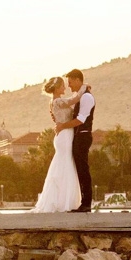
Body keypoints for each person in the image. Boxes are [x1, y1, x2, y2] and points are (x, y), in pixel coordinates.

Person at [31, 77, 88, 212]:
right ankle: (64, 202)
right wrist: (84, 88)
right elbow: (73, 100)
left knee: (64, 165)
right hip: (65, 136)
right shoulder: (58, 101)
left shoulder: (54, 102)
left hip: (64, 135)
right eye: (63, 86)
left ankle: (63, 200)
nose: (65, 88)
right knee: (66, 164)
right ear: (57, 88)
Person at [54, 69, 96, 213]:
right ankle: (83, 202)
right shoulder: (81, 96)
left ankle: (86, 203)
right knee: (79, 169)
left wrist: (62, 126)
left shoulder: (86, 98)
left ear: (78, 80)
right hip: (78, 136)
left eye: (71, 82)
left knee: (83, 169)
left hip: (83, 135)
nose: (69, 86)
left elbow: (80, 120)